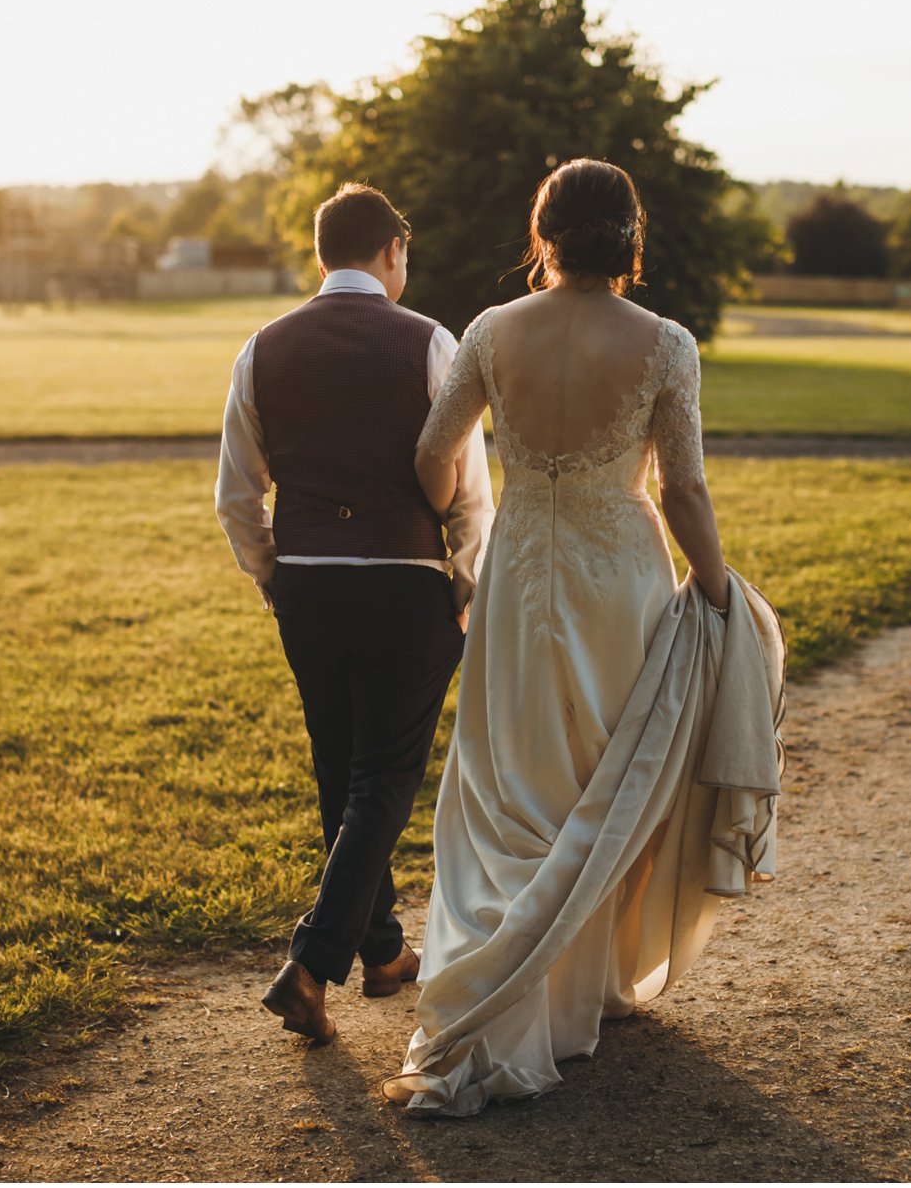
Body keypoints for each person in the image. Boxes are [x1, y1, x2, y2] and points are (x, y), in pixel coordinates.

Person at [384, 159, 784, 1114]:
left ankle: (518, 988)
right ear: (629, 237)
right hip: (621, 578)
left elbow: (435, 450)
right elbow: (683, 485)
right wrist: (718, 585)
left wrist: (454, 523)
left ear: (544, 232)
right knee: (609, 780)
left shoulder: (489, 331)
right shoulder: (666, 343)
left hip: (520, 569)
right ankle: (578, 991)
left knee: (515, 780)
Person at [214, 182, 494, 1044]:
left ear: (321, 251)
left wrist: (274, 576)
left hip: (308, 585)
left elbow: (236, 495)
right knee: (383, 776)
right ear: (393, 254)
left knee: (340, 766)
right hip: (403, 583)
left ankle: (380, 948)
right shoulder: (427, 342)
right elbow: (469, 493)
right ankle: (313, 959)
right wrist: (464, 581)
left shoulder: (261, 349)